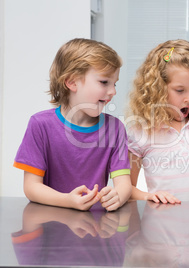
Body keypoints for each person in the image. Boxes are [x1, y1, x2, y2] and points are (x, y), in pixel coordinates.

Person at [14, 38, 132, 211]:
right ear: (72, 82)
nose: (113, 91)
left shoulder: (116, 129)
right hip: (51, 227)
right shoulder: (40, 125)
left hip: (96, 229)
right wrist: (67, 200)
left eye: (115, 84)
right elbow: (31, 187)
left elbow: (124, 184)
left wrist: (118, 196)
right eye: (104, 82)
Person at [126, 39, 189, 203]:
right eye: (179, 90)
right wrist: (148, 196)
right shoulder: (140, 132)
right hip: (161, 225)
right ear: (158, 88)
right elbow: (125, 189)